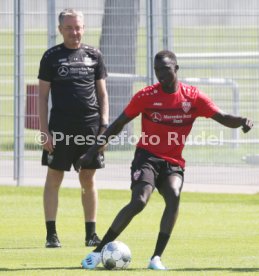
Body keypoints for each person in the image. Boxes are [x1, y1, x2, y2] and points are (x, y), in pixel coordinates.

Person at [76, 50, 253, 269]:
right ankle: (97, 252)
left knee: (174, 194)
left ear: (176, 69)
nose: (161, 74)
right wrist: (93, 151)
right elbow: (118, 124)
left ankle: (156, 258)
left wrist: (243, 121)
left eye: (166, 69)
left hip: (173, 162)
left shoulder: (193, 97)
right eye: (157, 69)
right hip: (147, 157)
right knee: (140, 200)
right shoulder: (146, 96)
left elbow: (223, 117)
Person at [38, 9, 109, 248]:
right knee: (54, 176)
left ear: (84, 28)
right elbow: (42, 97)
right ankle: (51, 234)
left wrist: (104, 128)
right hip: (60, 128)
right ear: (60, 30)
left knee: (88, 178)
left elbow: (102, 94)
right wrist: (44, 130)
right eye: (69, 28)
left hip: (90, 128)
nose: (75, 32)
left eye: (78, 27)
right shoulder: (51, 57)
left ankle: (91, 234)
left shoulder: (94, 55)